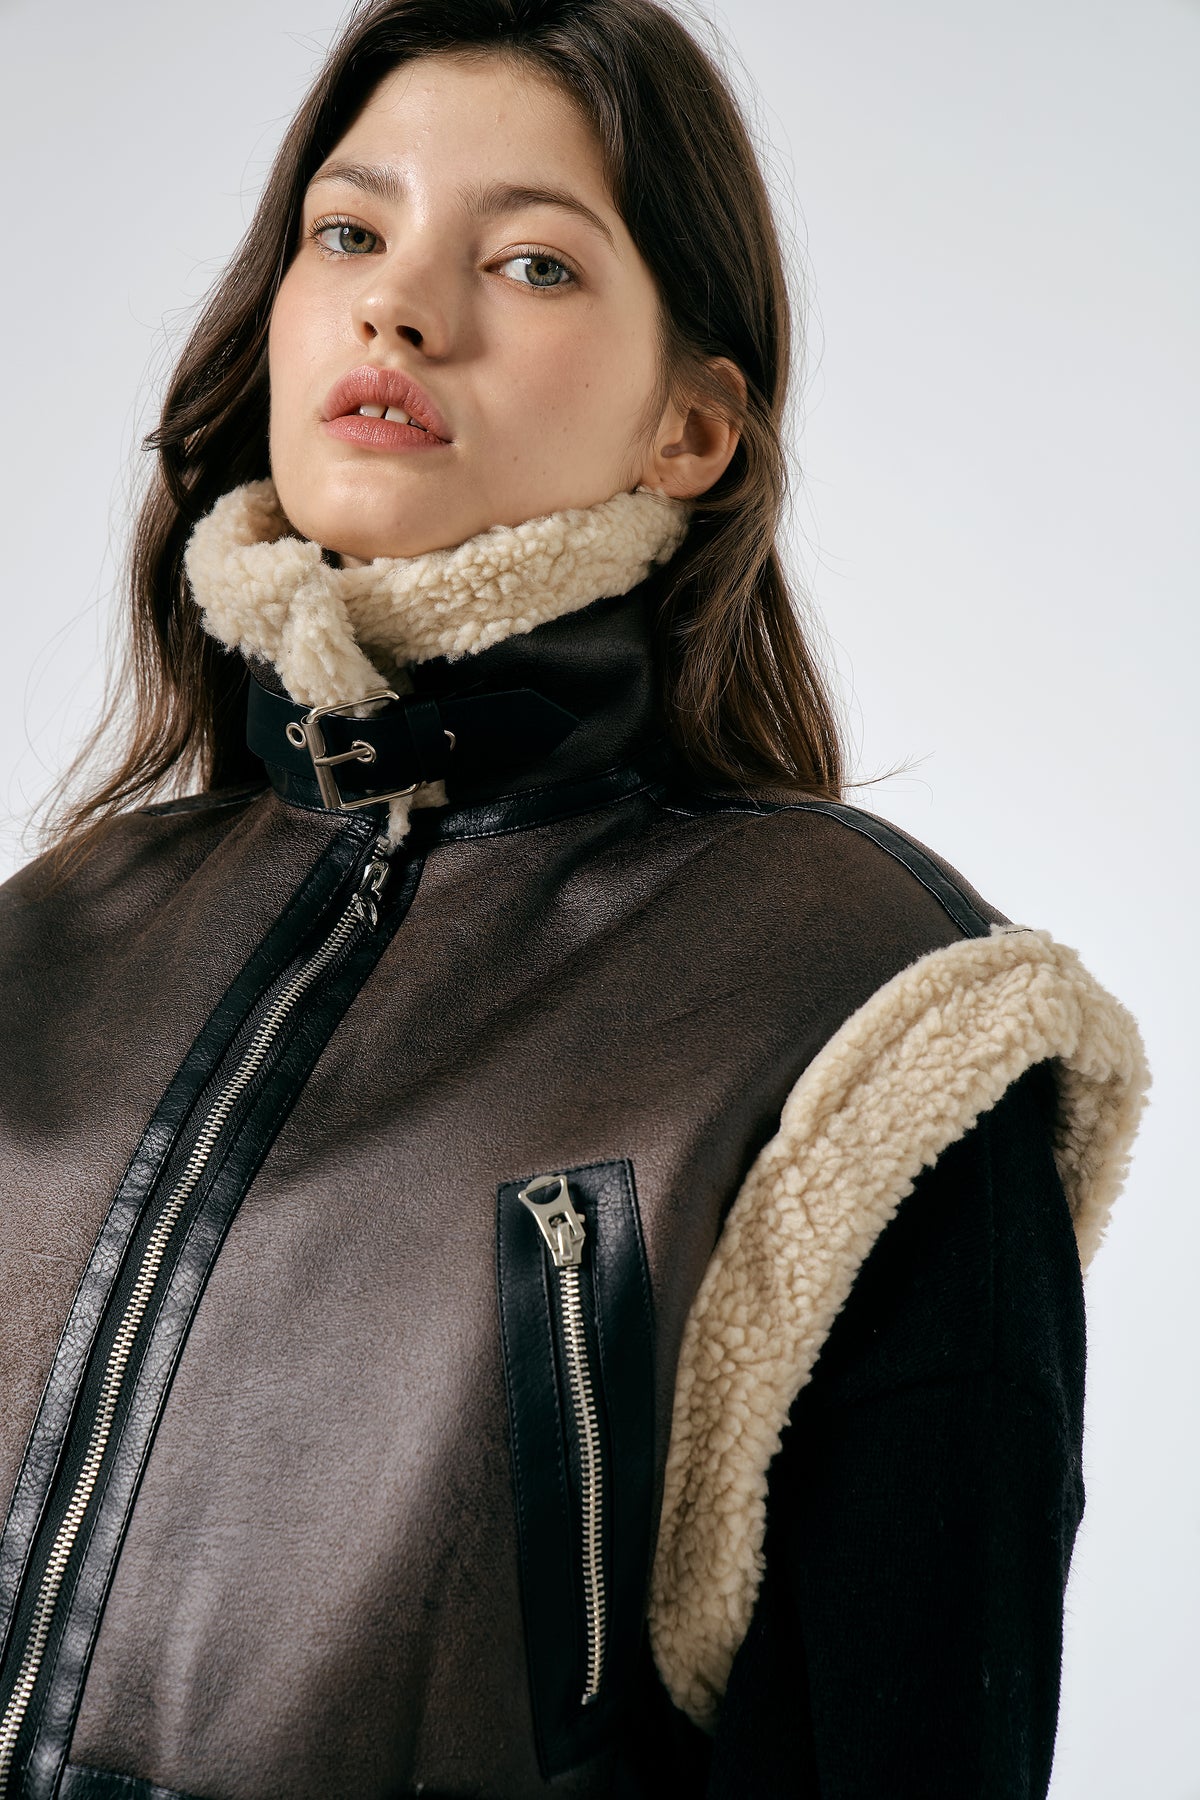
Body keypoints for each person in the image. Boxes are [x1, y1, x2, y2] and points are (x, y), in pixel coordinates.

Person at [0, 1, 1149, 1796]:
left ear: (690, 428)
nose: (399, 308)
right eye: (349, 232)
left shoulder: (869, 1020)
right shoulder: (56, 936)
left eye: (532, 262)